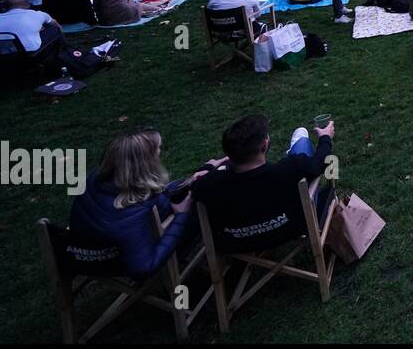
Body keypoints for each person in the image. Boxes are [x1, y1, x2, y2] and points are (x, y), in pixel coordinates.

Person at [68, 128, 216, 280]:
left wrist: (190, 181)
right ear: (145, 165)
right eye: (156, 152)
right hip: (117, 261)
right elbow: (144, 267)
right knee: (201, 206)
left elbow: (159, 197)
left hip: (84, 252)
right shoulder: (133, 213)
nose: (159, 153)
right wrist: (180, 216)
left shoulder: (94, 181)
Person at [192, 115, 336, 252]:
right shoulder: (290, 169)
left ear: (229, 155)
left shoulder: (209, 185)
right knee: (302, 144)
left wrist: (209, 167)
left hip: (234, 242)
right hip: (292, 229)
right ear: (264, 145)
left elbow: (196, 183)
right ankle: (297, 144)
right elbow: (322, 161)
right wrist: (325, 137)